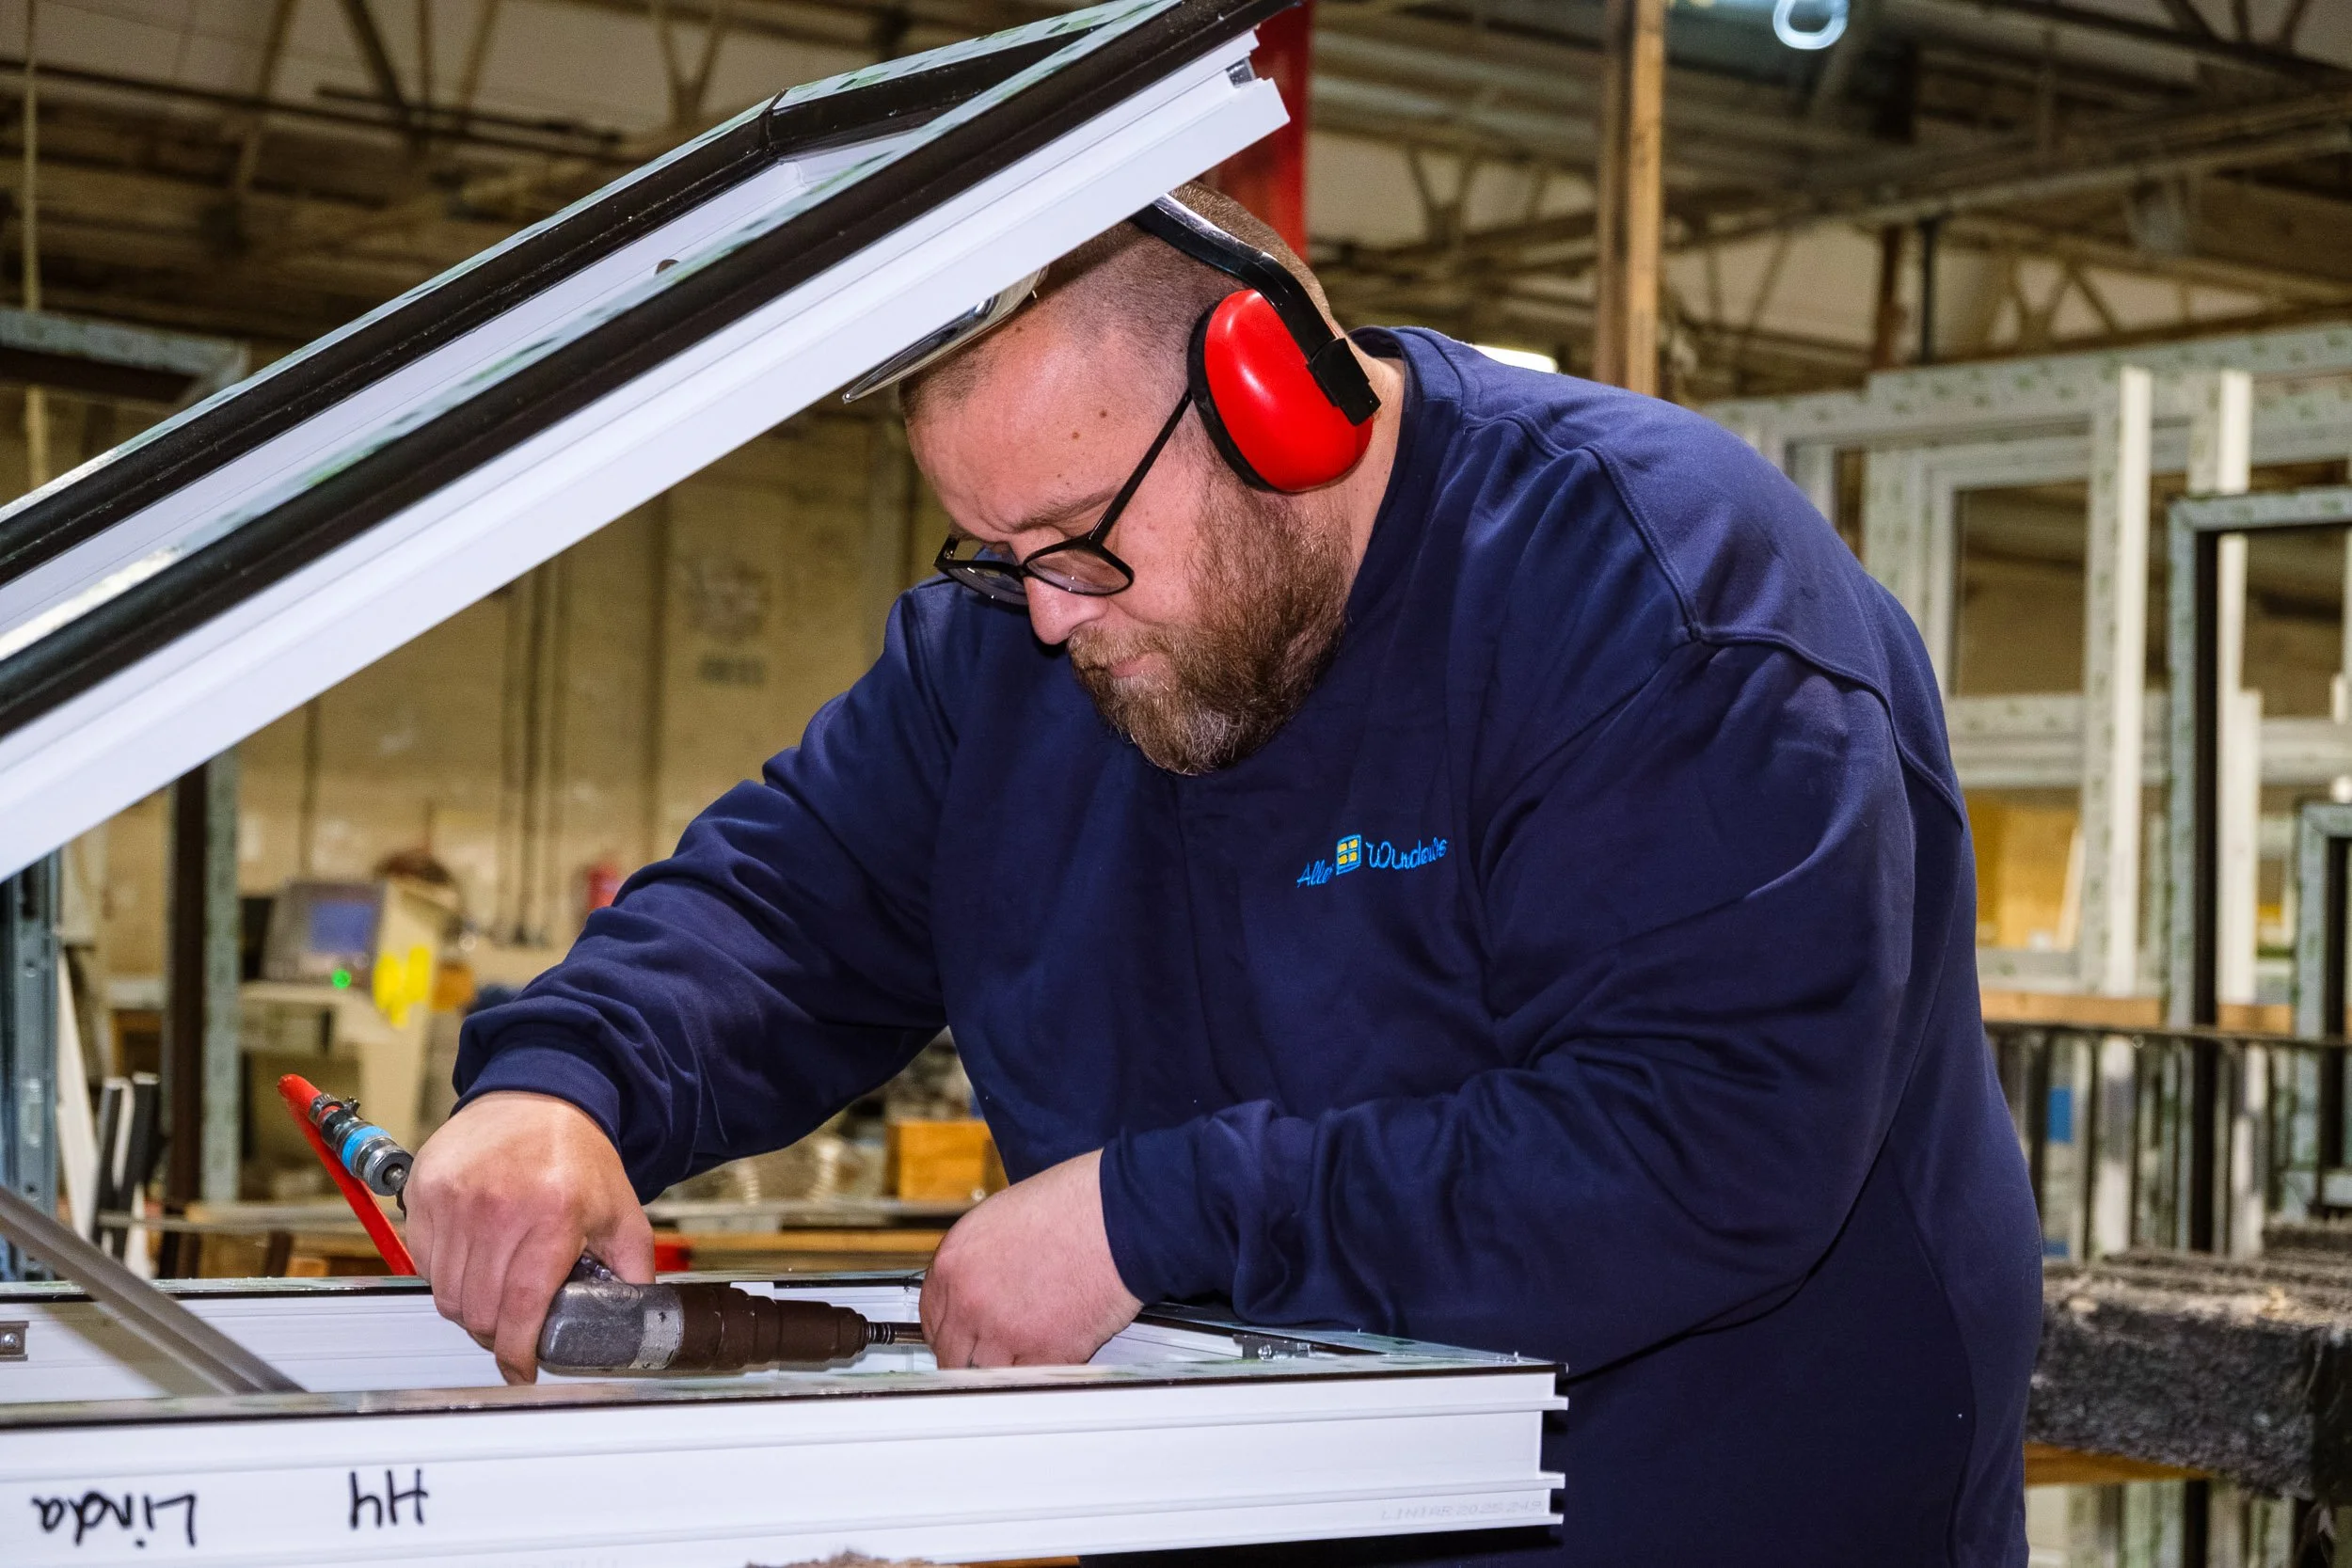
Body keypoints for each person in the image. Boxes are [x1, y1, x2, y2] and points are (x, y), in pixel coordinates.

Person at [406, 179, 2042, 1566]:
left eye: (1078, 536)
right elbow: (790, 902)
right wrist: (568, 1081)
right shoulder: (1022, 647)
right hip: (1258, 1510)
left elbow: (1707, 1137)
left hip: (1704, 1506)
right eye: (1000, 553)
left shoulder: (1652, 592)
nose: (1048, 613)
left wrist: (1147, 1217)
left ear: (1279, 401)